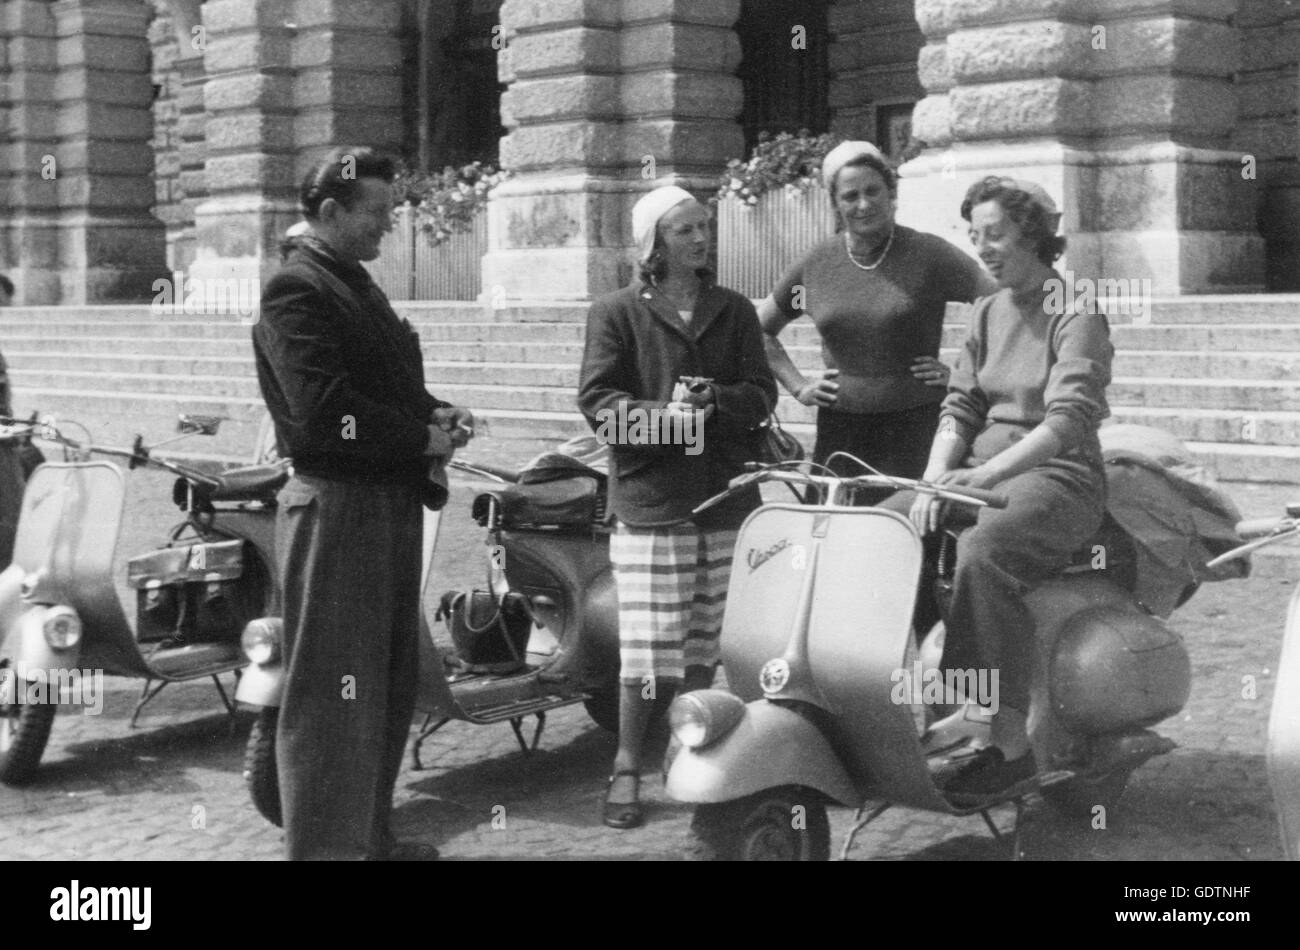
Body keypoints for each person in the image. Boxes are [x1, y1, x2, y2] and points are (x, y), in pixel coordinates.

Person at [253, 147, 475, 860]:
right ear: (329, 214)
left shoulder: (353, 284)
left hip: (383, 503)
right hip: (339, 506)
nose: (389, 227)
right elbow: (323, 413)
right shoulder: (297, 289)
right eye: (376, 213)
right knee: (330, 692)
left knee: (383, 679)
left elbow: (382, 387)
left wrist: (438, 414)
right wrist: (420, 437)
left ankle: (369, 838)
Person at [904, 176, 1113, 803]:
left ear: (1032, 235)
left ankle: (1008, 741)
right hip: (981, 471)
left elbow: (1067, 420)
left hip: (1059, 478)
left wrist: (985, 477)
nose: (983, 247)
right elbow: (961, 403)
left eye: (994, 234)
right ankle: (891, 701)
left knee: (983, 551)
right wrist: (934, 477)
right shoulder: (989, 309)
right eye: (974, 236)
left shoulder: (1076, 310)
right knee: (878, 527)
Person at [578, 185, 777, 828]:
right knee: (645, 649)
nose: (700, 238)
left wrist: (717, 401)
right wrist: (671, 421)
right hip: (653, 502)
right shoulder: (616, 312)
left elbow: (763, 396)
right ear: (654, 243)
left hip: (725, 497)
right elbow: (600, 404)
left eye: (704, 227)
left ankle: (686, 745)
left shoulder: (734, 310)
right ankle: (626, 765)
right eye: (685, 229)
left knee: (704, 641)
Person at [758, 141, 995, 501]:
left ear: (891, 193)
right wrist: (799, 386)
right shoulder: (817, 264)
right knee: (833, 540)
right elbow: (760, 331)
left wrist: (962, 375)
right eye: (850, 196)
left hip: (916, 427)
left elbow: (999, 302)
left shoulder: (928, 254)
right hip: (842, 431)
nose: (864, 204)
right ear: (835, 204)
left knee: (907, 541)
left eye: (873, 191)